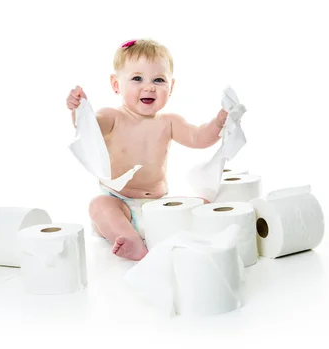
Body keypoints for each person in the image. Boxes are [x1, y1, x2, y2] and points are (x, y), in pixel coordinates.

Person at [66, 38, 228, 261]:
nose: (149, 86)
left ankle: (173, 232)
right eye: (137, 78)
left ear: (171, 87)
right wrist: (79, 110)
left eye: (159, 79)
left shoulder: (169, 121)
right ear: (116, 85)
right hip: (121, 205)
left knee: (205, 203)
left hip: (160, 207)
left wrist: (219, 122)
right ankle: (130, 240)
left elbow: (198, 137)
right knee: (99, 206)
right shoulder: (112, 117)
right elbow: (88, 128)